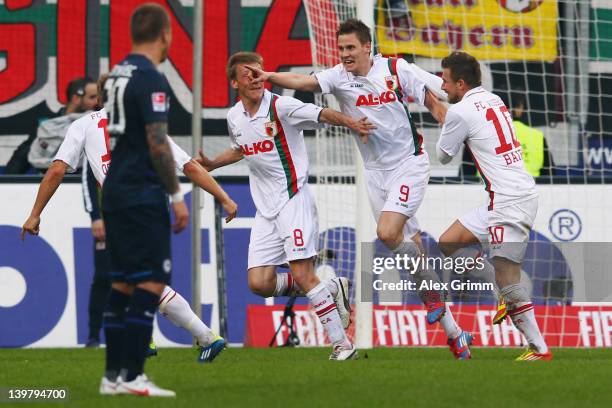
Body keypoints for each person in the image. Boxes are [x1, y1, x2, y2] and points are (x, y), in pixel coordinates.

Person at [246, 19, 472, 359]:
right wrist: (271, 77)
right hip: (375, 174)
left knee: (386, 231)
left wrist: (438, 108)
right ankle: (454, 332)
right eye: (341, 49)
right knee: (409, 246)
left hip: (409, 164)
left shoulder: (395, 68)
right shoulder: (338, 76)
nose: (345, 54)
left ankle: (435, 301)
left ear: (367, 47)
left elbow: (435, 88)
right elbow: (304, 80)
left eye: (350, 48)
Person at [199, 51, 375, 360]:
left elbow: (321, 114)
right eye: (247, 75)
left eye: (259, 72)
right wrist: (213, 163)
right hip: (266, 210)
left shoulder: (281, 107)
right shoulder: (234, 117)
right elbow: (241, 150)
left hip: (294, 199)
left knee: (303, 273)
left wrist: (350, 122)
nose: (255, 79)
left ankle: (342, 345)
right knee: (260, 282)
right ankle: (331, 287)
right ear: (234, 83)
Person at [433, 51, 551, 361]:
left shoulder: (459, 112)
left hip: (508, 201)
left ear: (460, 83)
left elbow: (444, 155)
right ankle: (500, 293)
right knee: (448, 242)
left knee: (508, 278)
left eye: (445, 81)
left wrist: (442, 114)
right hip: (504, 197)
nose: (442, 86)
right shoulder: (494, 99)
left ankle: (539, 349)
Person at [103, 4, 184, 396]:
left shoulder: (116, 74)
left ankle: (112, 377)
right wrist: (176, 193)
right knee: (151, 282)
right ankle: (134, 376)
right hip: (140, 191)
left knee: (121, 283)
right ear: (165, 34)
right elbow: (157, 143)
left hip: (114, 189)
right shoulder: (151, 78)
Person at [5, 77, 98, 174]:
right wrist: (9, 184)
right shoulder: (47, 126)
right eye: (92, 97)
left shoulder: (98, 124)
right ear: (76, 99)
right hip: (50, 184)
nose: (97, 102)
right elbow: (20, 159)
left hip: (83, 184)